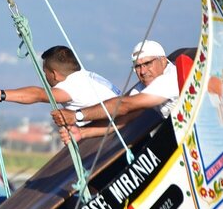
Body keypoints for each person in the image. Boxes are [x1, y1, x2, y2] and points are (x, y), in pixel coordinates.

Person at [51, 39, 180, 140]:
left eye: (147, 63)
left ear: (163, 61)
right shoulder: (143, 89)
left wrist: (76, 115)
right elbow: (123, 118)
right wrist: (81, 132)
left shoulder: (170, 79)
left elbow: (124, 105)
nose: (143, 71)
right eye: (137, 66)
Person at [0, 45, 119, 118]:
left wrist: (0, 95)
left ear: (54, 74)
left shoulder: (72, 86)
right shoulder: (87, 76)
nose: (45, 77)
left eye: (45, 73)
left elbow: (38, 95)